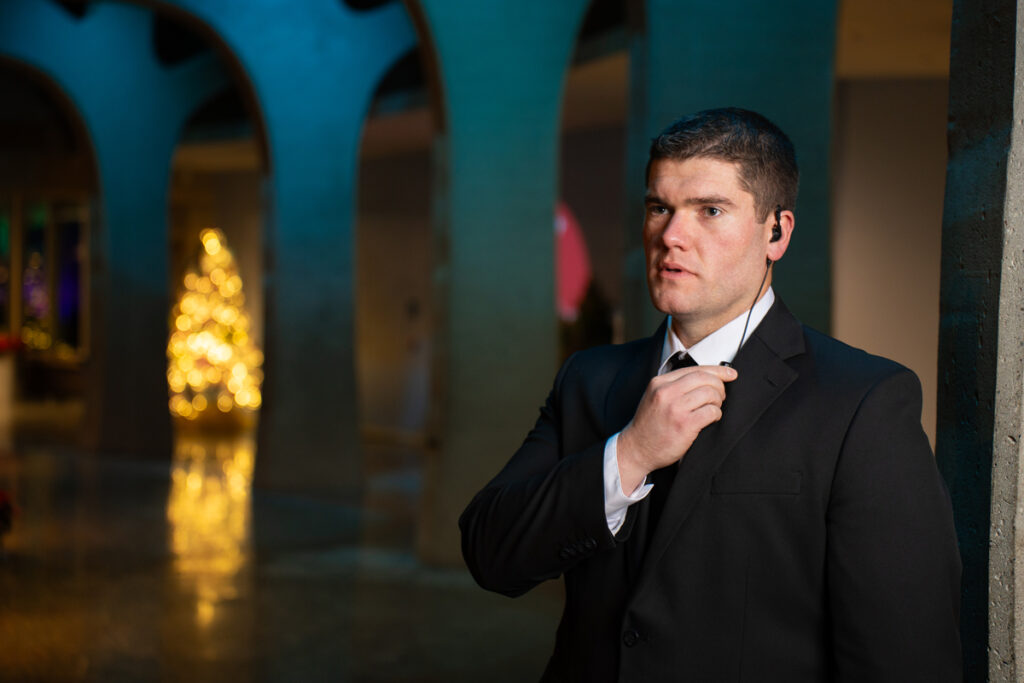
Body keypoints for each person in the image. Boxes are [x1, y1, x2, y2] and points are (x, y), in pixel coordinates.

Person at [459, 108, 962, 682]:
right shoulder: (588, 379)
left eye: (710, 210)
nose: (671, 236)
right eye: (659, 208)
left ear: (776, 233)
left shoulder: (865, 402)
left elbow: (905, 658)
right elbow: (490, 553)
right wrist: (630, 454)